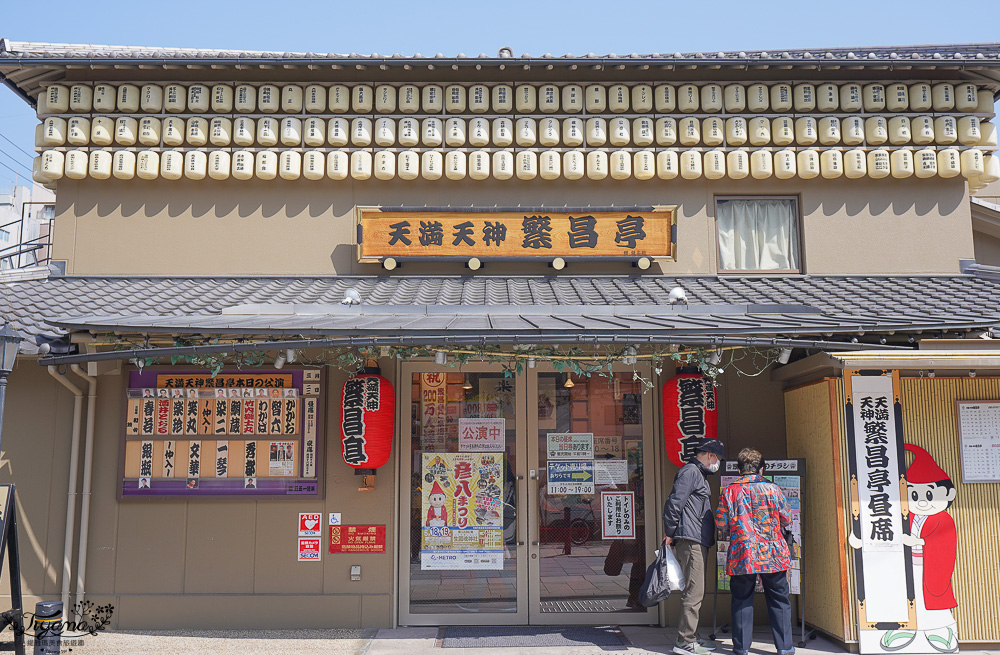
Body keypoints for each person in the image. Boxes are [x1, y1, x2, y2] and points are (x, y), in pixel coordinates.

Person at [715, 448, 794, 655]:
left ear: (739, 469)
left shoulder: (729, 491)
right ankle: (785, 647)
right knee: (779, 598)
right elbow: (787, 519)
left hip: (743, 553)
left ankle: (741, 647)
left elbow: (721, 523)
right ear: (762, 469)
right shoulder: (773, 489)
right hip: (773, 554)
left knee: (742, 598)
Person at [663, 437, 726, 655]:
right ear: (709, 455)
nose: (717, 463)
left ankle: (691, 636)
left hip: (697, 538)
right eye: (717, 458)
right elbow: (674, 502)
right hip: (691, 539)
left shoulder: (697, 474)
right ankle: (684, 641)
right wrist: (669, 533)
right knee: (694, 591)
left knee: (696, 590)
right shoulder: (690, 471)